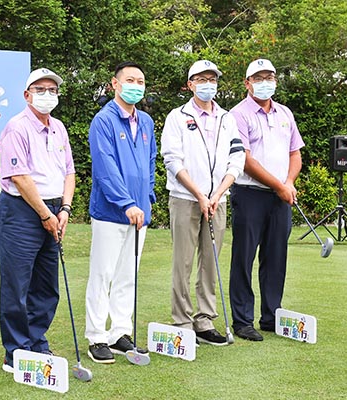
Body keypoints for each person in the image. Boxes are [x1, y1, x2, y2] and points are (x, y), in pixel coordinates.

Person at [0, 68, 76, 372]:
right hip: (21, 212)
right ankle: (16, 352)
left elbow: (69, 171)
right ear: (27, 95)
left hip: (54, 209)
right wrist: (45, 214)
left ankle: (36, 343)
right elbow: (19, 177)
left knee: (46, 286)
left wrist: (64, 209)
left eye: (52, 90)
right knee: (17, 285)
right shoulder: (17, 127)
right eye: (40, 89)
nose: (47, 94)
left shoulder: (59, 127)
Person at [161, 60, 245, 346]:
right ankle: (182, 322)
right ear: (190, 84)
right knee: (183, 262)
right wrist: (199, 193)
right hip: (185, 199)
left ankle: (204, 320)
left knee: (210, 262)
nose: (208, 84)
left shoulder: (227, 118)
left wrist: (218, 193)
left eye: (212, 79)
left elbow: (237, 158)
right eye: (201, 79)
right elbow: (172, 159)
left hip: (218, 200)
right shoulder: (177, 116)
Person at [85, 61, 157, 364]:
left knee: (128, 275)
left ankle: (119, 332)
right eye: (130, 80)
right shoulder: (103, 120)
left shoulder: (146, 122)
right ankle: (96, 336)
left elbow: (150, 163)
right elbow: (105, 167)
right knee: (103, 274)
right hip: (111, 212)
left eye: (140, 81)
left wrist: (146, 198)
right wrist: (126, 203)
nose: (136, 86)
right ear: (115, 84)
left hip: (139, 212)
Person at [229, 59, 305, 341]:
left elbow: (295, 153)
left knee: (275, 257)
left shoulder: (285, 113)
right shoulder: (237, 115)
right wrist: (279, 185)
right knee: (244, 257)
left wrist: (289, 183)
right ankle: (242, 320)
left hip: (280, 196)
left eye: (269, 77)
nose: (265, 82)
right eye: (258, 77)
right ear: (247, 83)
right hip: (249, 194)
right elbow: (246, 160)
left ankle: (272, 316)